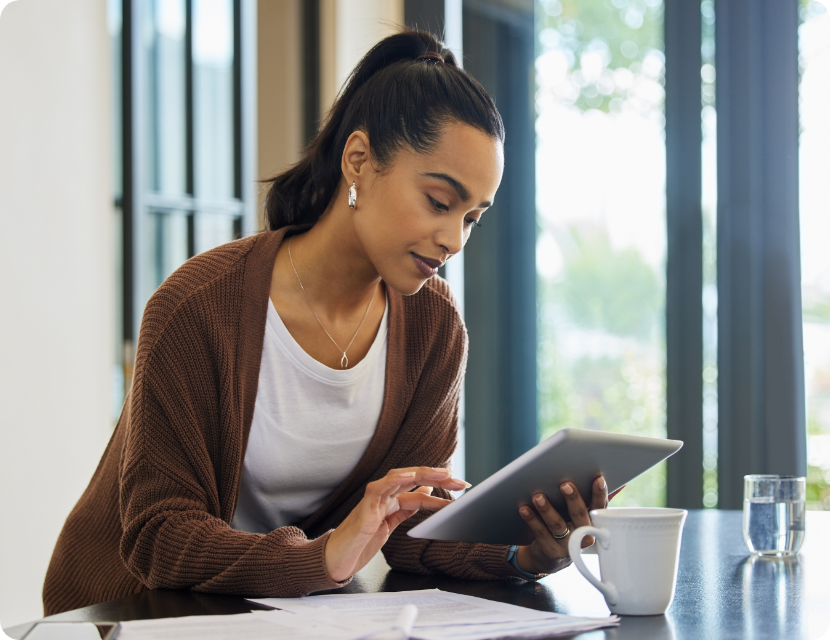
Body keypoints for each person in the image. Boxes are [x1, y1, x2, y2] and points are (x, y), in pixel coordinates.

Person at [43, 29, 613, 616]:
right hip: (124, 614)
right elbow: (157, 535)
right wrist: (321, 558)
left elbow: (410, 531)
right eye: (440, 202)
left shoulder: (433, 328)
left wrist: (528, 554)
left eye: (472, 217)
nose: (454, 239)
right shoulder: (198, 307)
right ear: (359, 160)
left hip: (264, 615)